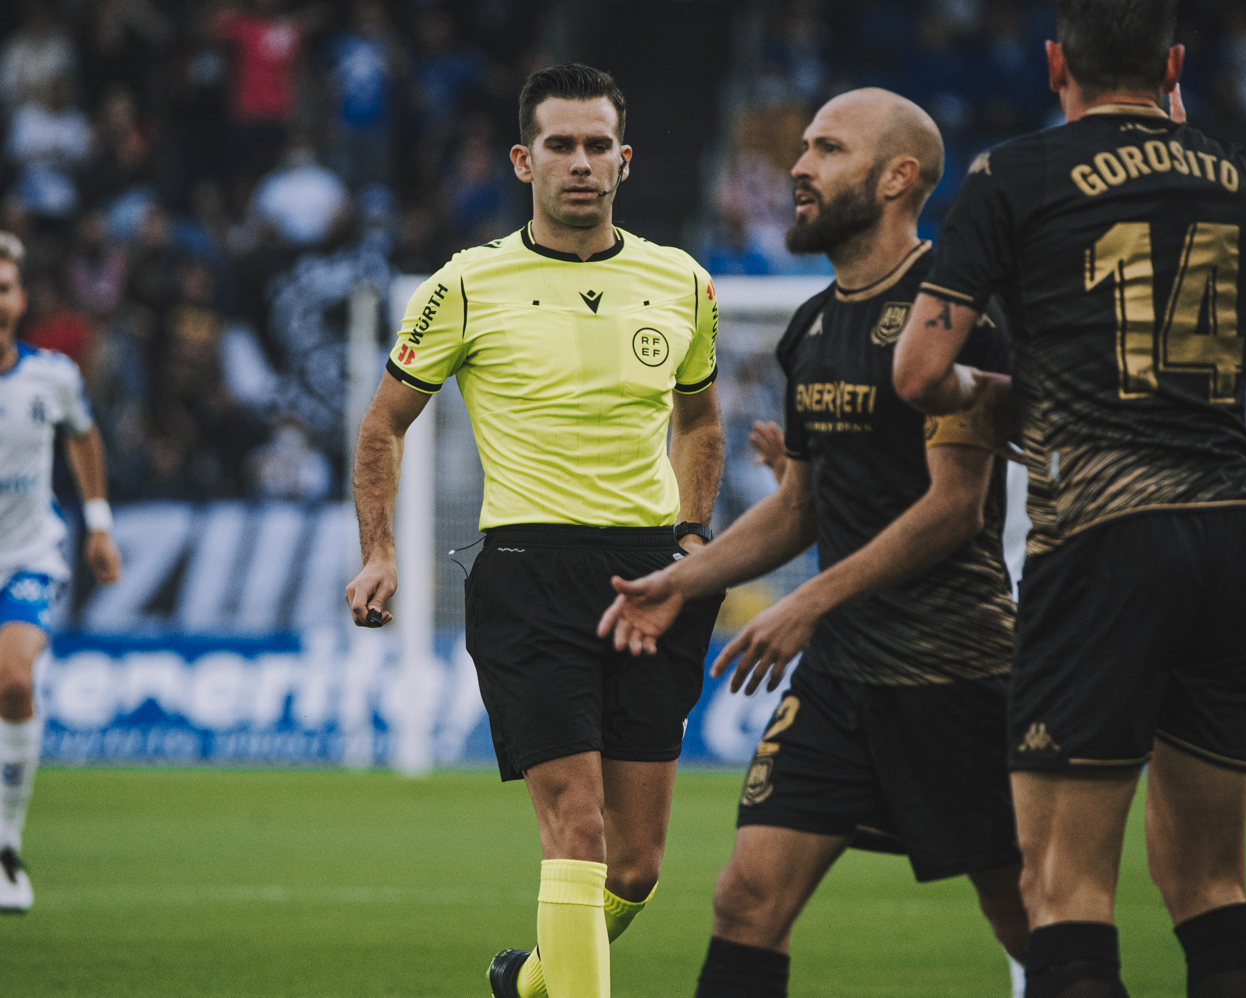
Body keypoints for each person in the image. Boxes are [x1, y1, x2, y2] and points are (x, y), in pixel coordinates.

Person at [892, 2, 1246, 996]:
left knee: (1064, 887)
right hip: (1231, 533)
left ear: (1058, 65)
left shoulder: (1012, 177)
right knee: (1209, 880)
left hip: (1101, 533)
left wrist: (1006, 398)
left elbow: (921, 373)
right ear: (1174, 64)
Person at [598, 88, 1030, 998]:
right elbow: (802, 506)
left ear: (896, 177)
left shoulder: (951, 315)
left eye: (827, 150)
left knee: (1027, 908)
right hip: (842, 681)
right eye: (803, 148)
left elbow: (955, 509)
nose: (797, 166)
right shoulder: (812, 327)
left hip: (956, 672)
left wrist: (807, 601)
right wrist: (681, 579)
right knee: (746, 897)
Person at [344, 65, 725, 998]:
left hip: (653, 575)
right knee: (577, 832)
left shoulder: (681, 281)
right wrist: (381, 551)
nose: (582, 163)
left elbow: (703, 422)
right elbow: (383, 424)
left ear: (625, 160)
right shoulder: (465, 284)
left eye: (599, 145)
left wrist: (688, 541)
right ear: (525, 159)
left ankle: (532, 985)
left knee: (635, 868)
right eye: (561, 144)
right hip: (528, 568)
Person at [0, 232, 121, 913]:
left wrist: (98, 523)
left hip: (26, 555)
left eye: (5, 288)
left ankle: (6, 848)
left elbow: (83, 433)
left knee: (14, 680)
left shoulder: (52, 375)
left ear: (19, 298)